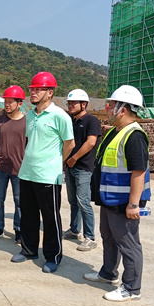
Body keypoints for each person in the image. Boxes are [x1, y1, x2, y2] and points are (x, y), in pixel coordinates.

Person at [84, 85, 151, 301]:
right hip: (109, 198)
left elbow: (139, 172)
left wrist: (134, 204)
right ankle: (108, 272)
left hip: (124, 202)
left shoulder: (134, 136)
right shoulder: (116, 132)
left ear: (122, 109)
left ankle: (131, 288)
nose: (107, 108)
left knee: (128, 244)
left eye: (111, 105)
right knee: (109, 237)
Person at [10, 72, 74, 273]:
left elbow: (69, 144)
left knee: (50, 218)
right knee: (28, 215)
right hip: (27, 173)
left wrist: (57, 162)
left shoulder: (60, 116)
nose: (33, 93)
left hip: (48, 175)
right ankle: (29, 250)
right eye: (32, 89)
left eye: (38, 89)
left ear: (50, 92)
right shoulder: (29, 116)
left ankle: (53, 256)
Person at [0, 85, 27, 243]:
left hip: (20, 169)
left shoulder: (27, 122)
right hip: (0, 168)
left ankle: (19, 230)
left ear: (19, 103)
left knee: (20, 202)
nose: (7, 105)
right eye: (5, 101)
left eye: (10, 102)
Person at [63, 89, 101, 251]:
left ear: (84, 104)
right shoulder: (72, 121)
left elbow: (91, 142)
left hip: (83, 168)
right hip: (70, 167)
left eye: (74, 103)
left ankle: (90, 237)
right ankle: (74, 229)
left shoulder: (91, 121)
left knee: (83, 202)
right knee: (73, 201)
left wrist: (74, 158)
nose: (70, 105)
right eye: (69, 103)